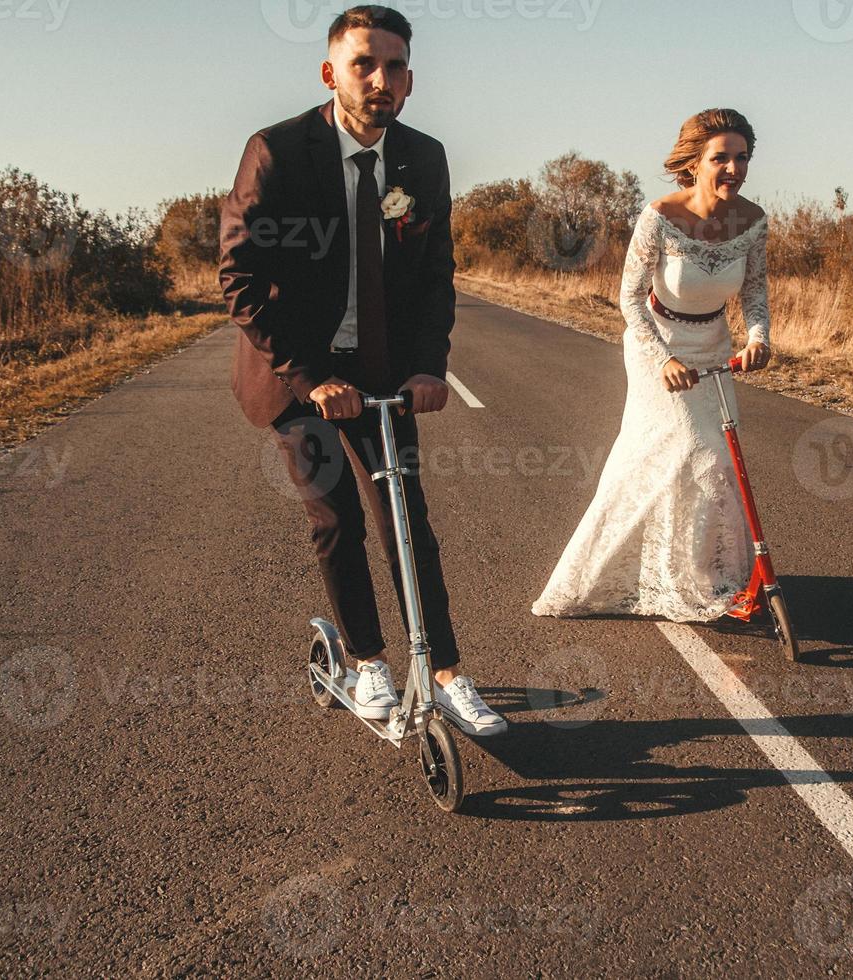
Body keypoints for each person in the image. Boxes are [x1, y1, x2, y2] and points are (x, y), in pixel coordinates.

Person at [220, 5, 505, 735]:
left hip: (380, 370)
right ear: (331, 73)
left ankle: (444, 673)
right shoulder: (278, 151)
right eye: (364, 64)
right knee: (338, 515)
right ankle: (369, 659)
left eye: (396, 66)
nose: (381, 79)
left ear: (411, 78)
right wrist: (310, 375)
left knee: (405, 516)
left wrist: (428, 368)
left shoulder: (422, 157)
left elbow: (434, 276)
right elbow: (240, 279)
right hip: (294, 369)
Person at [532, 108, 772, 621]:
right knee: (691, 447)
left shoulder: (753, 221)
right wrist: (662, 358)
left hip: (713, 343)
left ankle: (705, 574)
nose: (734, 168)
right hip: (656, 342)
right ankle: (610, 575)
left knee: (720, 460)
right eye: (721, 158)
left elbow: (753, 293)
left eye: (742, 158)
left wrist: (758, 338)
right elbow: (629, 298)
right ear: (694, 162)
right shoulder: (660, 216)